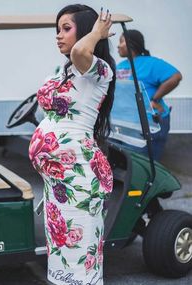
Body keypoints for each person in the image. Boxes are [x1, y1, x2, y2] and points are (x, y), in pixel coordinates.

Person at [29, 4, 115, 285]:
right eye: (57, 29)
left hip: (79, 179)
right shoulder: (63, 70)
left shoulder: (98, 71)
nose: (58, 35)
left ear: (89, 31)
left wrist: (98, 33)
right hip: (57, 184)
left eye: (66, 28)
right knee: (60, 252)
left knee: (81, 257)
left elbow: (81, 52)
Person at [116, 29, 182, 161]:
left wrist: (155, 99)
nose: (118, 45)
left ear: (131, 43)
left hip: (150, 123)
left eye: (121, 41)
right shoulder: (121, 65)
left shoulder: (151, 63)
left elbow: (175, 77)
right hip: (128, 125)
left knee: (144, 165)